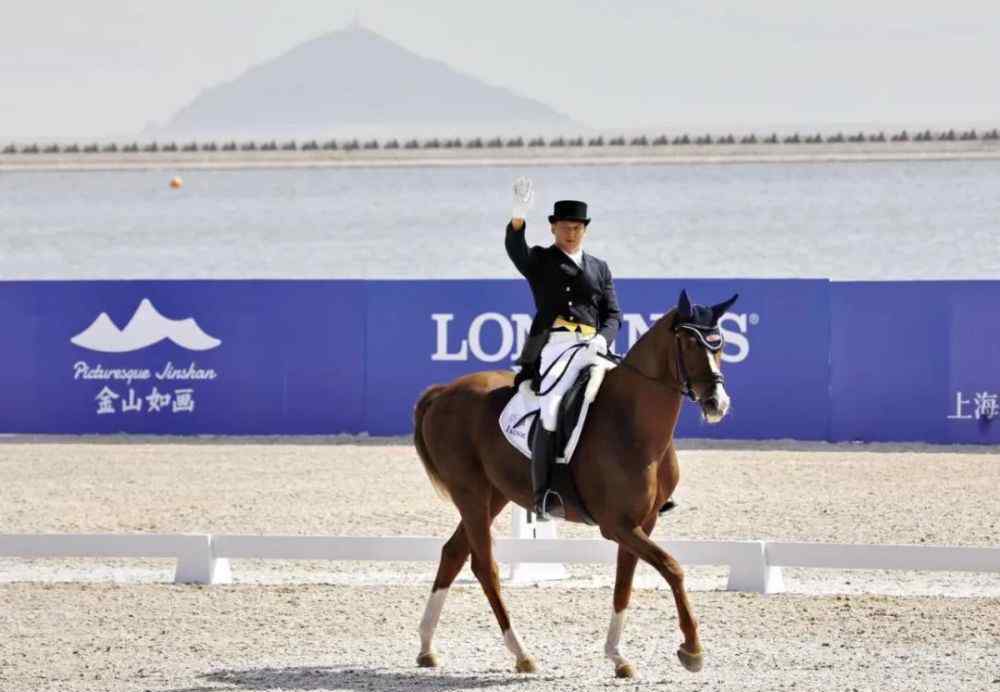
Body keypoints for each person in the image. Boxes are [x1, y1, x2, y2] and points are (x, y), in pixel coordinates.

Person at [505, 179, 622, 519]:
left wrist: (603, 338)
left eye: (576, 228)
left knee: (627, 397)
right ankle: (543, 494)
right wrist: (517, 217)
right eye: (564, 227)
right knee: (552, 408)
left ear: (584, 230)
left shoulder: (599, 267)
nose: (571, 233)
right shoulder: (541, 260)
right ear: (553, 228)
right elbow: (516, 251)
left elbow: (613, 313)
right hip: (556, 346)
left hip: (592, 344)